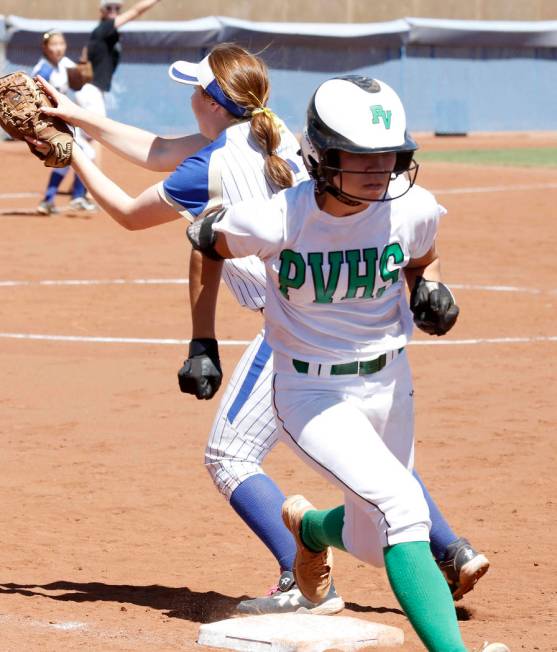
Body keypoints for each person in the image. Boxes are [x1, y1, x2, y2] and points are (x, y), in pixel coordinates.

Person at [34, 46, 487, 616]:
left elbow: (129, 209)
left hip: (292, 328)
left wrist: (74, 153)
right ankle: (451, 548)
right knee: (372, 459)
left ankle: (299, 574)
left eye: (194, 90)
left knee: (229, 455)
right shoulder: (272, 137)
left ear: (210, 102)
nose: (189, 98)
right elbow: (157, 150)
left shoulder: (213, 163)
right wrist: (73, 113)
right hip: (343, 317)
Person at [188, 75, 509, 651]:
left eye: (388, 155)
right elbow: (205, 241)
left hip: (391, 383)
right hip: (310, 393)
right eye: (359, 156)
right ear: (320, 155)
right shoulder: (276, 218)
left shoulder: (412, 207)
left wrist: (428, 287)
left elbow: (422, 255)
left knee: (369, 536)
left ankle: (311, 529)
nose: (378, 168)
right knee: (402, 507)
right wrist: (202, 342)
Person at [79, 0, 162, 167]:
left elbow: (84, 56)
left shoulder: (105, 33)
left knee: (87, 139)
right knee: (98, 136)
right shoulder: (104, 28)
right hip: (91, 91)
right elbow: (135, 12)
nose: (114, 10)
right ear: (101, 11)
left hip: (93, 90)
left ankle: (83, 183)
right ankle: (93, 185)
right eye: (109, 7)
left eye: (117, 8)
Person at [33, 29, 97, 215]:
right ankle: (76, 197)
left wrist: (84, 67)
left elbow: (79, 83)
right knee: (86, 153)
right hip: (50, 122)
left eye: (61, 43)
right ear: (45, 47)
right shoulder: (43, 69)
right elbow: (36, 97)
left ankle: (48, 201)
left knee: (70, 157)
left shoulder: (64, 64)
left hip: (62, 121)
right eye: (54, 44)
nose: (58, 48)